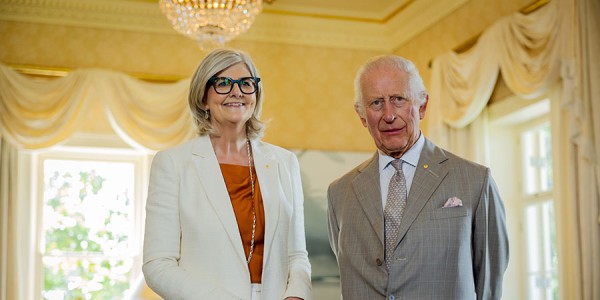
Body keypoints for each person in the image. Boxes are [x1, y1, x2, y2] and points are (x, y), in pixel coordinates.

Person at [327, 55, 509, 300]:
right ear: (362, 115)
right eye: (376, 103)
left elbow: (489, 284)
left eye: (398, 99)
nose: (389, 115)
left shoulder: (475, 181)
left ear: (422, 106)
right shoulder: (339, 193)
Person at [142, 48, 312, 300]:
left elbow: (297, 255)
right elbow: (158, 264)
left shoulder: (285, 162)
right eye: (223, 83)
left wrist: (296, 296)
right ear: (202, 98)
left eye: (246, 83)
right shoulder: (172, 164)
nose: (237, 92)